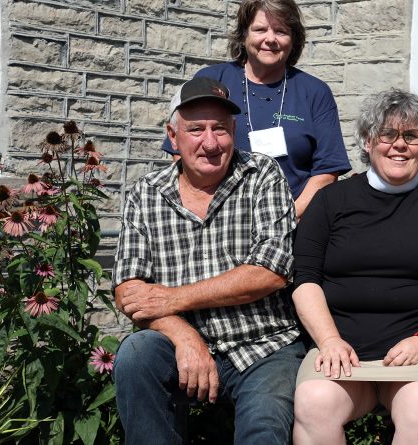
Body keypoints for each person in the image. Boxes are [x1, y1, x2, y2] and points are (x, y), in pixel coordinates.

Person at [112, 77, 305, 445]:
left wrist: (174, 298)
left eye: (220, 128)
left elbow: (271, 272)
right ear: (173, 136)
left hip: (263, 344)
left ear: (234, 130)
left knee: (263, 429)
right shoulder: (146, 192)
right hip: (178, 344)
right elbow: (128, 290)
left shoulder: (261, 175)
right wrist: (183, 334)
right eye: (196, 129)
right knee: (137, 354)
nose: (210, 142)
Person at [291, 90, 418, 444]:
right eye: (387, 134)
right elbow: (305, 279)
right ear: (368, 141)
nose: (400, 145)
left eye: (412, 136)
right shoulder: (331, 201)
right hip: (341, 351)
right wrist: (329, 340)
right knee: (313, 403)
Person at [162, 0, 351, 219]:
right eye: (260, 29)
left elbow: (327, 171)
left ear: (293, 39)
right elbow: (182, 152)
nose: (270, 39)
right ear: (244, 35)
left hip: (294, 224)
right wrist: (207, 211)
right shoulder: (212, 80)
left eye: (281, 31)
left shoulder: (315, 92)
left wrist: (286, 219)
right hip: (218, 223)